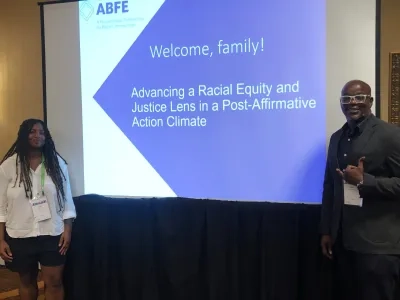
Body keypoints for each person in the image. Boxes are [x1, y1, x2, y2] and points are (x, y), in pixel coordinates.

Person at [320, 80, 400, 300]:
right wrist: (327, 230)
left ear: (370, 101)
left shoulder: (389, 135)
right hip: (343, 241)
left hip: (378, 246)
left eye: (359, 97)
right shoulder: (337, 138)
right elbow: (330, 186)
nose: (352, 103)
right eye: (346, 99)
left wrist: (366, 181)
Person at [0, 119, 76, 300]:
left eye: (41, 132)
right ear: (23, 135)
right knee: (27, 282)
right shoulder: (8, 166)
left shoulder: (57, 164)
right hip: (19, 235)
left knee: (55, 282)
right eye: (32, 132)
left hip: (52, 234)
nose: (37, 136)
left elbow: (67, 200)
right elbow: (0, 206)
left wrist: (68, 229)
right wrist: (0, 240)